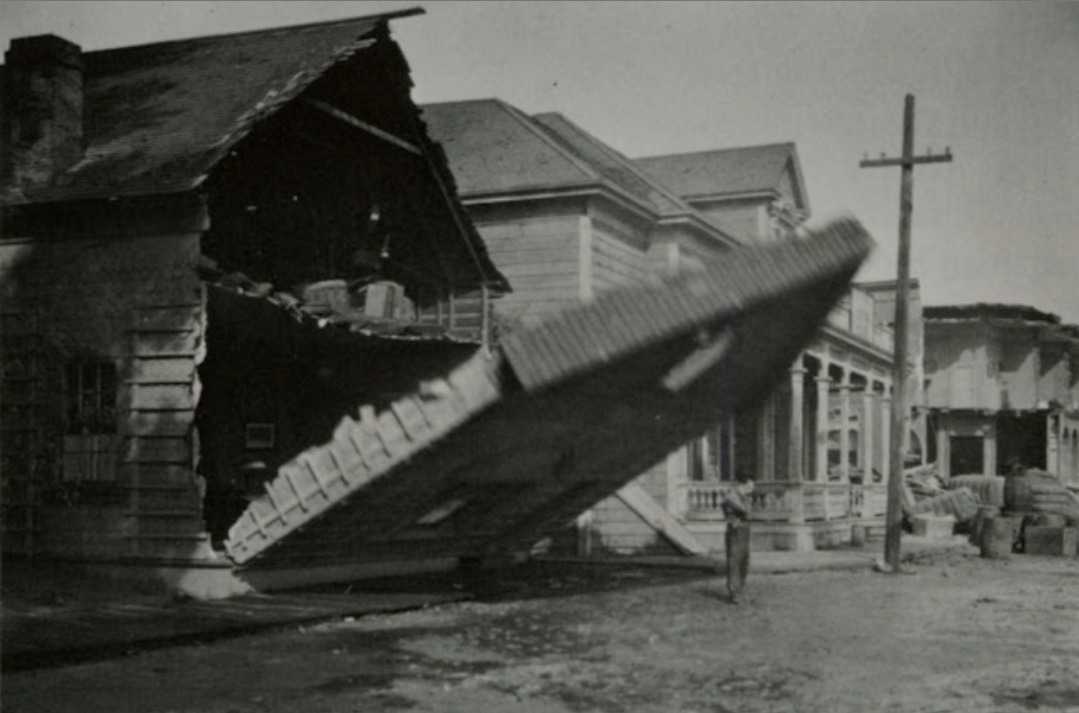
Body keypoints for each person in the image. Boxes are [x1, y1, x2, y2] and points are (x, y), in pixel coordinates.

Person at [721, 479, 754, 603]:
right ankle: (735, 593)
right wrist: (733, 521)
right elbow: (742, 510)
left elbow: (748, 512)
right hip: (736, 531)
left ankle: (741, 590)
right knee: (735, 561)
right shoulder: (732, 496)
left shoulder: (744, 497)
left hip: (744, 530)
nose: (750, 490)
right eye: (748, 487)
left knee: (744, 561)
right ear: (741, 484)